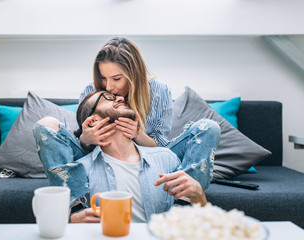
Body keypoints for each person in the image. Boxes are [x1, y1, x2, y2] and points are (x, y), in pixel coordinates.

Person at [33, 90, 220, 223]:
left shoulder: (166, 158)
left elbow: (204, 224)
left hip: (168, 233)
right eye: (108, 98)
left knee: (209, 126)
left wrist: (199, 197)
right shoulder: (80, 171)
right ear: (94, 120)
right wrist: (72, 217)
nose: (121, 98)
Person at [78, 36, 220, 190]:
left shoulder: (159, 91)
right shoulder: (90, 91)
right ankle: (75, 204)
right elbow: (80, 146)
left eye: (116, 78)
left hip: (154, 161)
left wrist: (138, 134)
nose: (109, 86)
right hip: (102, 161)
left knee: (209, 127)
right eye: (103, 78)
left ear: (134, 74)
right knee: (50, 126)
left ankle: (185, 199)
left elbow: (160, 146)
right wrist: (85, 139)